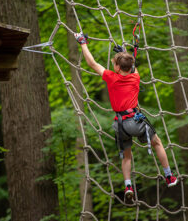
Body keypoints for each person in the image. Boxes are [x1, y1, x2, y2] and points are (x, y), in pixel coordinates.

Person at [74, 32, 178, 204]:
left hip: (120, 124)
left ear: (116, 68)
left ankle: (128, 185)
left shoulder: (111, 77)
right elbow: (132, 67)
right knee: (157, 143)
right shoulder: (135, 77)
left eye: (114, 63)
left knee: (127, 156)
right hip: (136, 121)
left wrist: (82, 42)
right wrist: (124, 52)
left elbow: (92, 63)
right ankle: (168, 176)